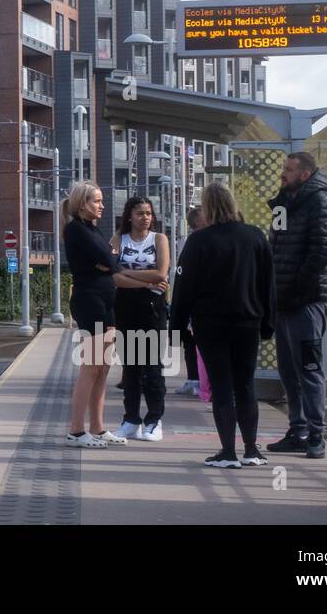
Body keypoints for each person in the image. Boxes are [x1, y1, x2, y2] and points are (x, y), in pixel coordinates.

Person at [171, 182, 275, 469]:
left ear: (207, 207)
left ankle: (228, 452)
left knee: (221, 385)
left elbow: (184, 288)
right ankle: (252, 450)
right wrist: (268, 322)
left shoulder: (199, 241)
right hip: (248, 322)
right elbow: (268, 284)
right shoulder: (255, 237)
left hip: (211, 324)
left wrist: (177, 327)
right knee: (245, 385)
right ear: (233, 203)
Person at [62, 181, 167, 449]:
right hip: (91, 302)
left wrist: (117, 268)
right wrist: (119, 267)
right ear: (82, 202)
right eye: (96, 200)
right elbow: (111, 262)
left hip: (107, 304)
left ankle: (97, 428)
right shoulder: (75, 229)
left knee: (103, 369)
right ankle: (76, 430)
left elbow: (111, 263)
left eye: (101, 200)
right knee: (90, 367)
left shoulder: (94, 230)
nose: (102, 205)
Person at [265, 152, 327, 460]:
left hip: (306, 301)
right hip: (284, 301)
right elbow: (275, 245)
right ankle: (298, 430)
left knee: (308, 367)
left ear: (305, 174)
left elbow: (322, 248)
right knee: (289, 369)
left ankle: (316, 434)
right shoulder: (285, 202)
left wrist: (297, 287)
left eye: (289, 169)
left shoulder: (319, 201)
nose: (283, 173)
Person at [110, 196, 171, 441]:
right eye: (140, 213)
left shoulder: (159, 239)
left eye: (148, 213)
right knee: (131, 367)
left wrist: (128, 273)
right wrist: (146, 281)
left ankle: (154, 419)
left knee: (152, 366)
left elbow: (161, 272)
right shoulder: (118, 240)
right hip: (125, 308)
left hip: (153, 309)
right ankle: (131, 419)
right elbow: (112, 275)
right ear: (129, 216)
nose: (145, 217)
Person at [175, 206, 205, 396]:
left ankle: (200, 382)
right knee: (191, 341)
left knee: (196, 343)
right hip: (196, 304)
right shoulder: (194, 241)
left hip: (201, 304)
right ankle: (196, 380)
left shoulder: (197, 241)